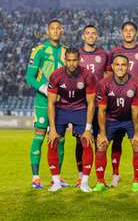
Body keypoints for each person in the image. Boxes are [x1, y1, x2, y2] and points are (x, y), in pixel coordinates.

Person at [25, 19, 68, 188]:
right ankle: (35, 177)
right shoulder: (39, 50)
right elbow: (29, 76)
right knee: (39, 137)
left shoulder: (67, 52)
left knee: (60, 139)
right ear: (48, 31)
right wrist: (44, 88)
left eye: (58, 28)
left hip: (61, 103)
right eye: (52, 28)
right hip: (43, 101)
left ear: (62, 31)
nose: (56, 31)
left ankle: (56, 177)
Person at [46, 48, 96, 192]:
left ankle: (84, 182)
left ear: (79, 60)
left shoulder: (88, 75)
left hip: (80, 109)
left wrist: (87, 129)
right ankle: (56, 181)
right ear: (65, 60)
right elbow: (51, 103)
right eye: (69, 60)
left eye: (74, 60)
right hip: (61, 109)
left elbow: (91, 103)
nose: (72, 63)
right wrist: (53, 129)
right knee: (53, 141)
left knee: (86, 142)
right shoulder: (56, 75)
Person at [94, 54, 138, 192]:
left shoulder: (136, 83)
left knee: (137, 144)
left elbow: (135, 110)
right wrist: (103, 133)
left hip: (129, 119)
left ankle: (136, 181)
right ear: (112, 67)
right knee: (101, 145)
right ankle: (100, 181)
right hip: (111, 119)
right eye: (117, 64)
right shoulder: (104, 83)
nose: (120, 67)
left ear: (128, 66)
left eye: (123, 65)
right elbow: (101, 110)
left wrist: (136, 133)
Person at [108, 21, 138, 187]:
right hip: (117, 104)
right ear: (121, 33)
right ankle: (115, 174)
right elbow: (107, 75)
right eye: (125, 30)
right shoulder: (114, 52)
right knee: (116, 140)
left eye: (132, 30)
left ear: (136, 33)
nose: (128, 33)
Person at [75, 25, 110, 187]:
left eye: (94, 33)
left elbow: (108, 77)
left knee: (100, 140)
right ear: (83, 36)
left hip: (99, 103)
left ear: (97, 36)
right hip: (81, 105)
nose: (91, 36)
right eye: (88, 33)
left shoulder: (103, 54)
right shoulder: (76, 55)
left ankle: (99, 178)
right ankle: (81, 175)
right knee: (81, 140)